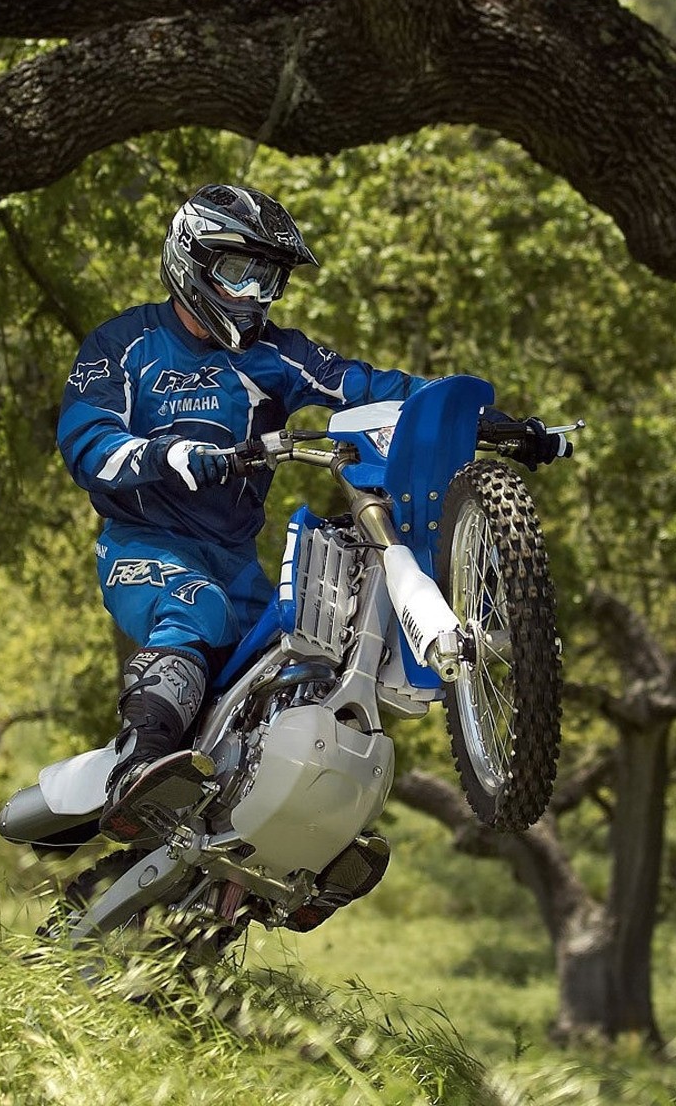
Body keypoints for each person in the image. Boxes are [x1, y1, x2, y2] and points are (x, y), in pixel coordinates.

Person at [56, 184, 430, 840]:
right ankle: (138, 772)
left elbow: (363, 384)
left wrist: (474, 412)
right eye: (240, 273)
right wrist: (165, 455)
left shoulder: (276, 355)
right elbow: (87, 439)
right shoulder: (124, 345)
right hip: (144, 544)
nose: (254, 296)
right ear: (191, 260)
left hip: (238, 561)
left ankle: (293, 837)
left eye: (269, 280)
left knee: (304, 668)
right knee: (194, 612)